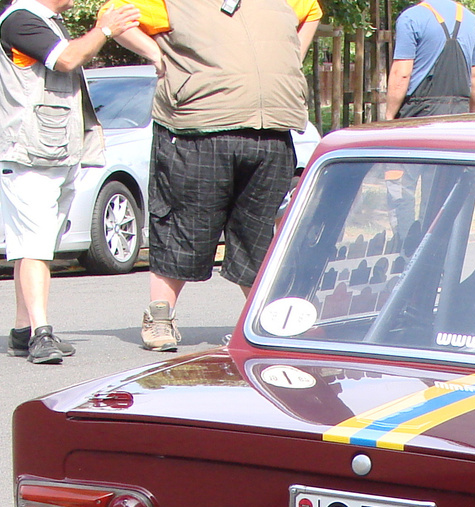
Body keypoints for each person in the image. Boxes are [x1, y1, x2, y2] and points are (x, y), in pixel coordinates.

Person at [110, 0, 322, 351]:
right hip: (197, 125)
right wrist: (157, 55)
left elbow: (311, 12)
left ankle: (266, 322)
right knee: (181, 224)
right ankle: (160, 315)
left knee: (259, 234)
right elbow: (115, 19)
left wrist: (289, 65)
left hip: (270, 129)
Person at [0, 0, 139, 365]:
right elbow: (67, 59)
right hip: (29, 153)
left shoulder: (43, 20)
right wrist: (104, 29)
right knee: (36, 246)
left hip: (53, 150)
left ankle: (22, 330)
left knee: (34, 245)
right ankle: (42, 334)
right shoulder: (21, 20)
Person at [385, 0, 475, 119]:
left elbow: (402, 74)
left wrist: (389, 116)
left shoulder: (410, 18)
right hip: (459, 111)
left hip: (419, 112)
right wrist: (473, 115)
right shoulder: (471, 19)